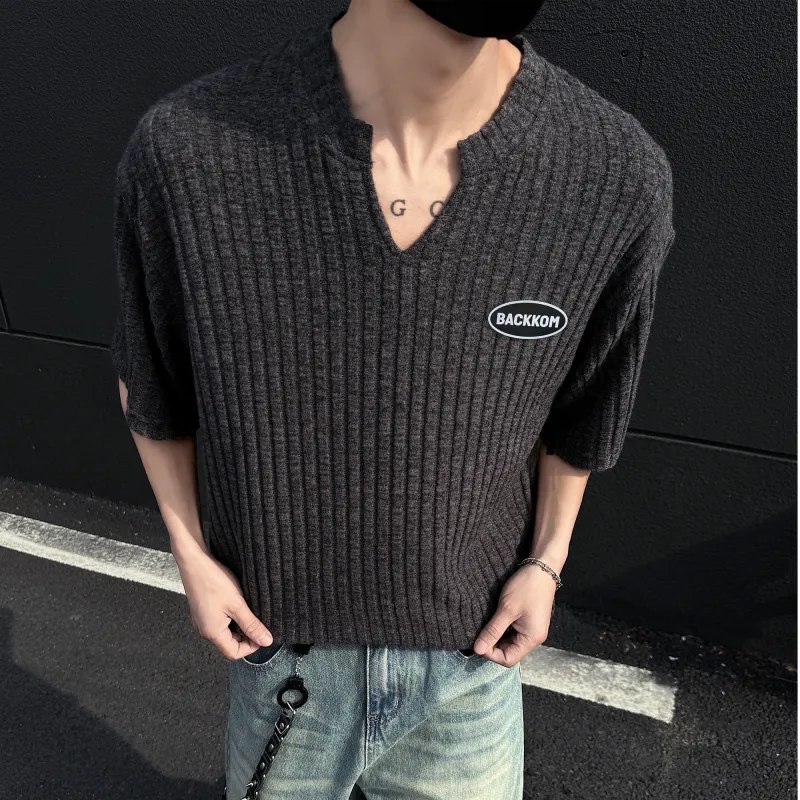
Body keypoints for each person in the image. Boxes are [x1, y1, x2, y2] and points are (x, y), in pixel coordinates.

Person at [110, 0, 676, 797]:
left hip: (471, 664)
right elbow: (150, 380)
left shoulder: (611, 174)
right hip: (280, 656)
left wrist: (547, 562)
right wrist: (191, 557)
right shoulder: (191, 150)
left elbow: (586, 411)